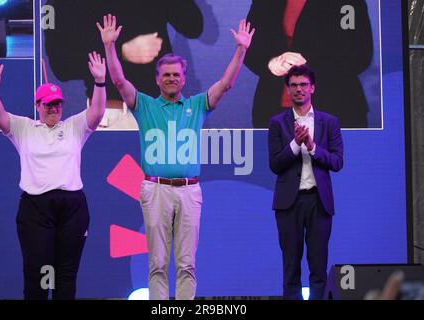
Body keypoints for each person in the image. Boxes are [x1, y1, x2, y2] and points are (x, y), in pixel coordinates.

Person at [97, 14, 254, 299]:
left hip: (189, 190)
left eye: (176, 75)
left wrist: (241, 49)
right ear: (157, 80)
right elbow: (119, 81)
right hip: (154, 189)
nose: (171, 78)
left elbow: (226, 84)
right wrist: (109, 47)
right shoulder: (144, 105)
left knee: (187, 264)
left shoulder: (197, 105)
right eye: (166, 74)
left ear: (183, 80)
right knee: (157, 263)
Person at [0, 52, 106, 300]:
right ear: (37, 105)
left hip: (72, 207)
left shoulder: (74, 127)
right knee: (37, 271)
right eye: (48, 104)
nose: (54, 108)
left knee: (66, 272)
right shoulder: (24, 128)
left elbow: (97, 112)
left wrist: (100, 82)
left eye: (58, 103)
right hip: (36, 208)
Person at [45, 0, 203, 130]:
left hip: (158, 111)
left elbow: (193, 26)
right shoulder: (60, 5)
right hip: (110, 115)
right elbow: (61, 66)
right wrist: (122, 53)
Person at [268, 65, 343, 300]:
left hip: (319, 203)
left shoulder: (329, 122)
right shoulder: (277, 123)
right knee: (291, 267)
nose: (298, 89)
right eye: (293, 85)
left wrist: (311, 147)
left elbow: (337, 162)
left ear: (312, 88)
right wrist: (294, 144)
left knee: (318, 267)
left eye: (303, 85)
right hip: (288, 204)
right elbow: (275, 164)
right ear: (288, 90)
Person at [245, 0, 373, 128]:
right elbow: (248, 47)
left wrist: (308, 66)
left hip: (335, 107)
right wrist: (271, 63)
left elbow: (359, 55)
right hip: (273, 109)